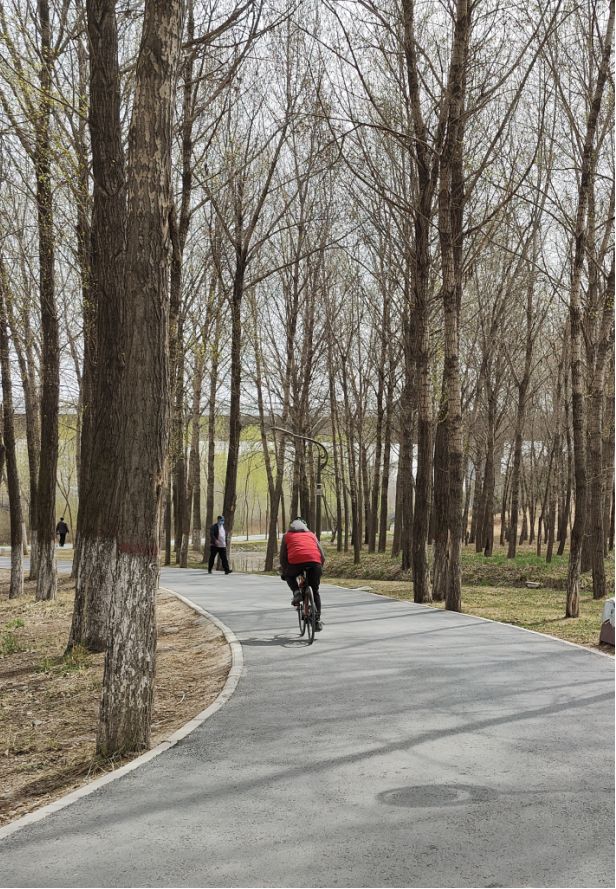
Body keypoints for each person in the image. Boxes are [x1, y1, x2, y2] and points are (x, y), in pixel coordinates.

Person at [279, 517, 325, 631]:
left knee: (289, 576)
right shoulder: (311, 535)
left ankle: (296, 593)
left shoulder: (287, 535)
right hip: (315, 562)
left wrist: (285, 571)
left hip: (295, 563)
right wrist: (319, 568)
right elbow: (321, 554)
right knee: (315, 591)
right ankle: (317, 620)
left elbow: (283, 556)